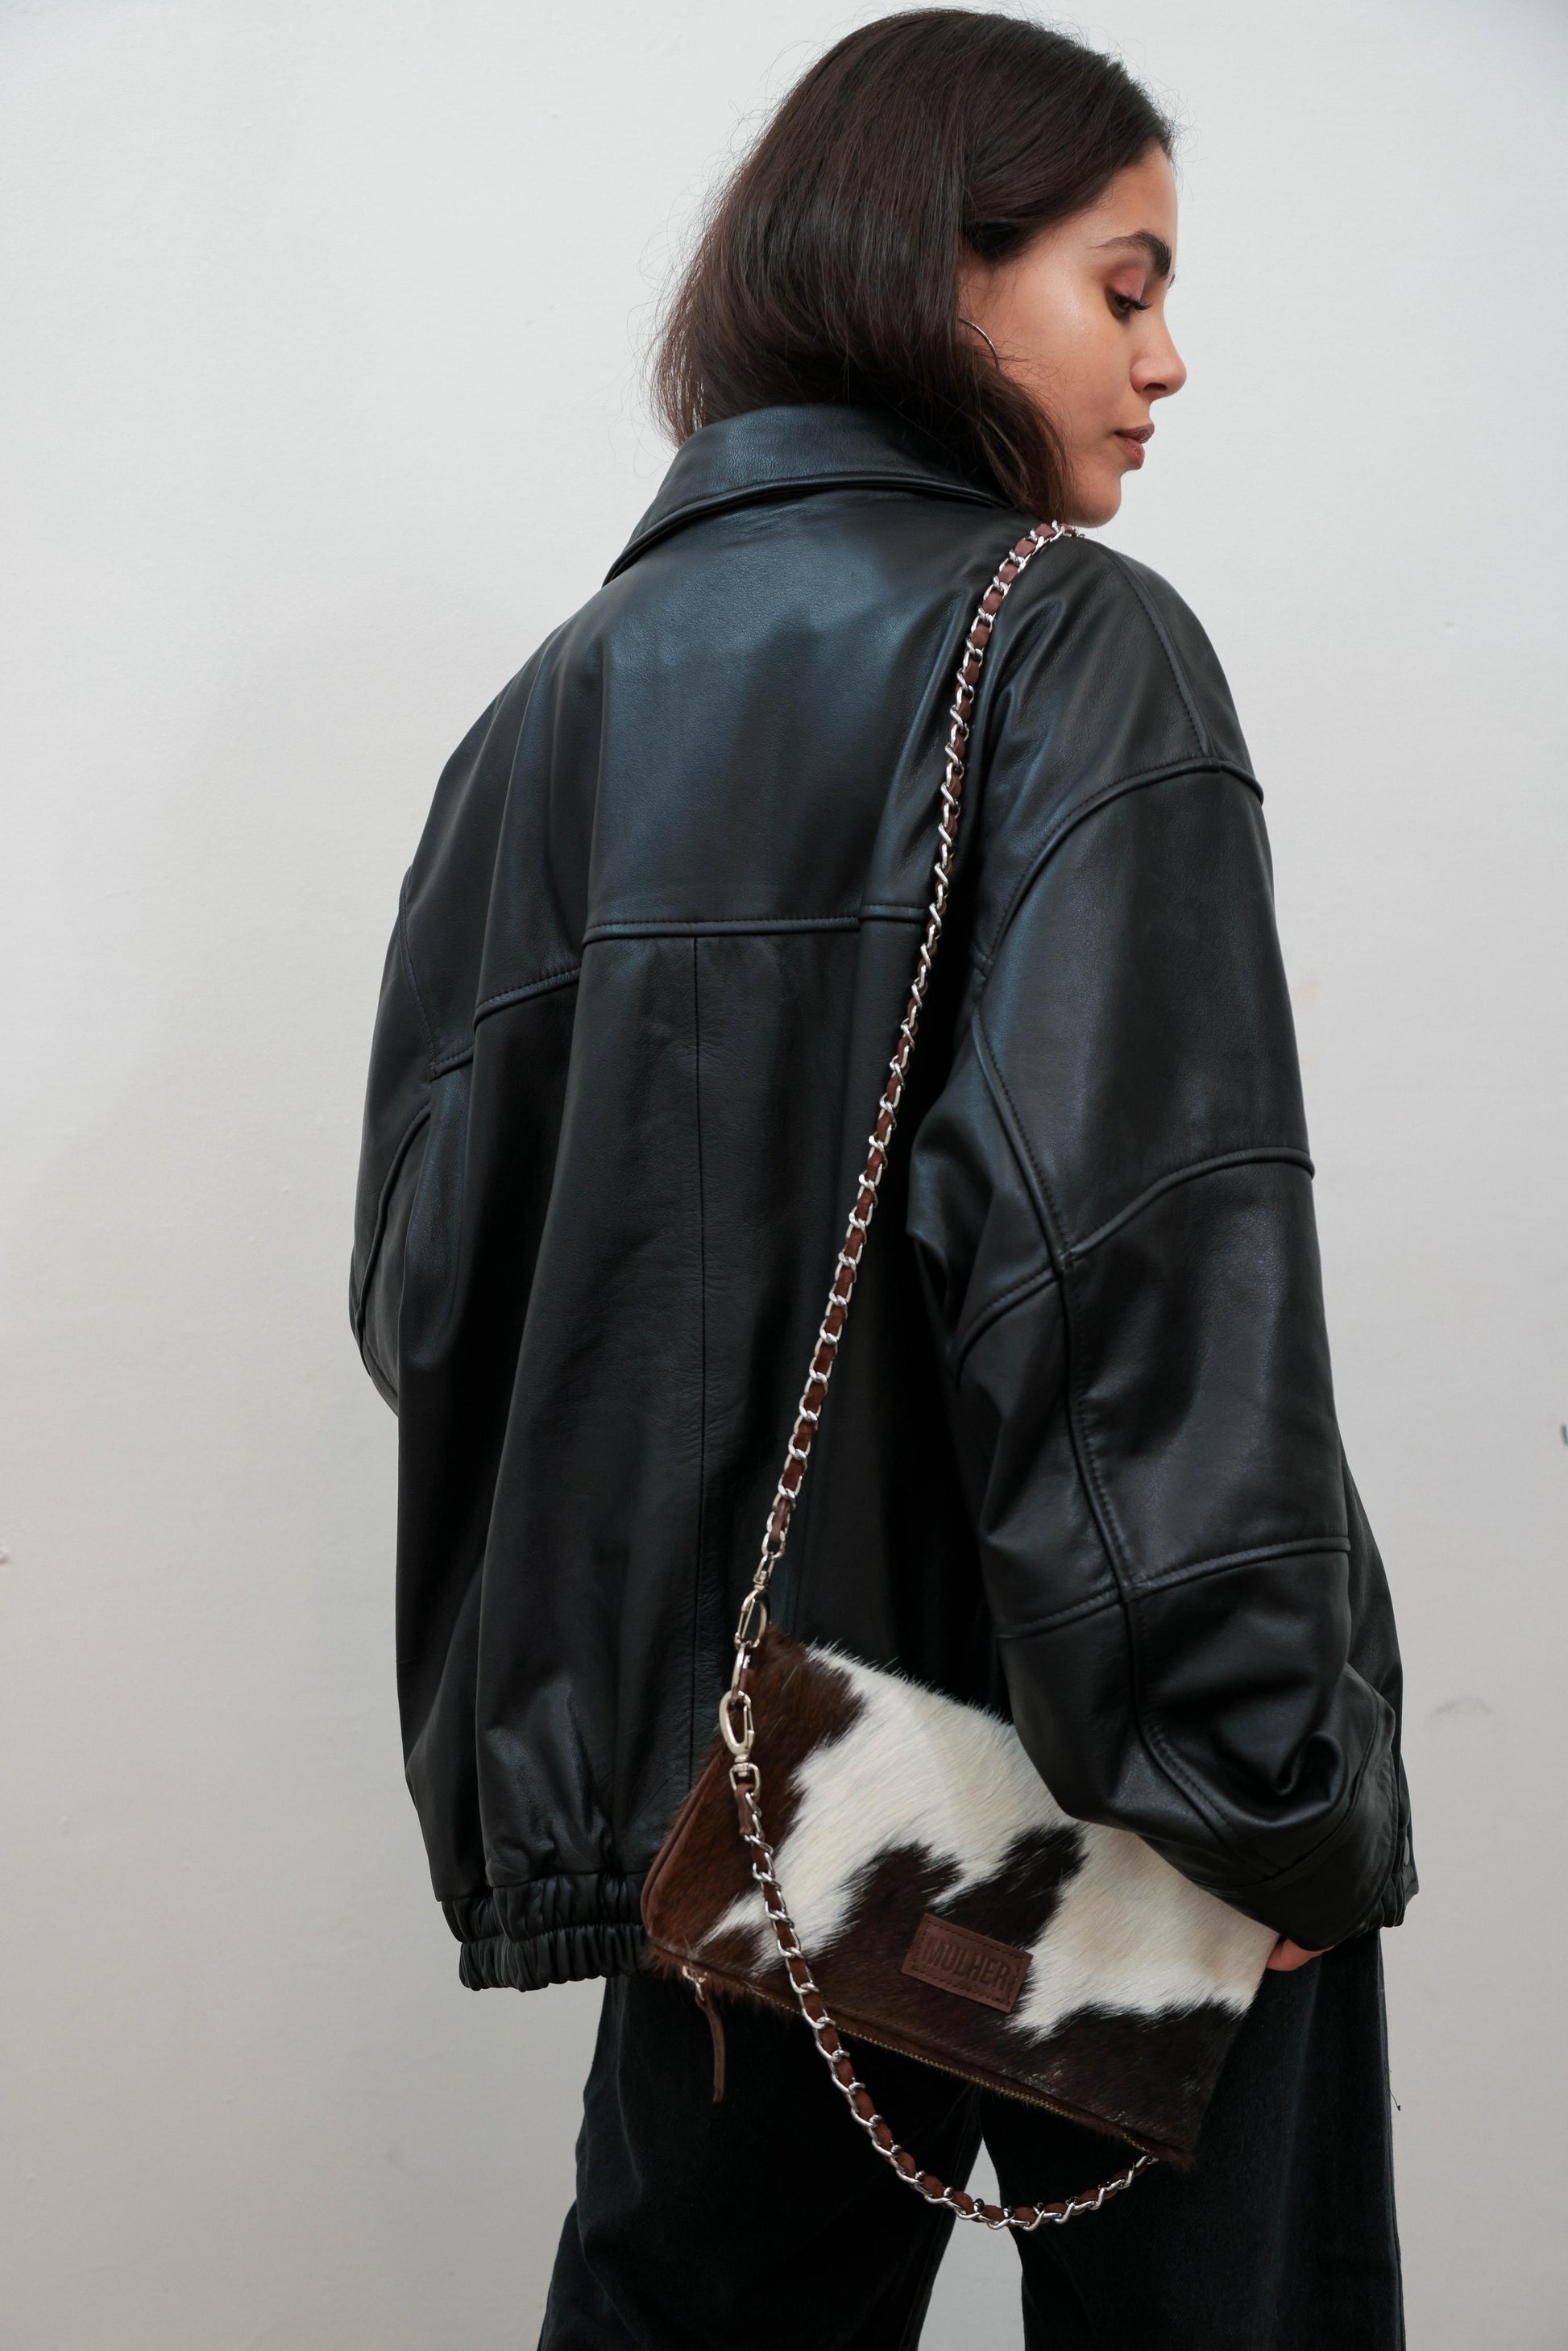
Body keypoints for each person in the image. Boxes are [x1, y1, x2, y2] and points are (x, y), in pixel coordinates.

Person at [350, 12, 1417, 2345]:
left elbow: (434, 1299)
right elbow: (1139, 1274)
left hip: (751, 1814)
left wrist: (645, 1752)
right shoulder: (1070, 646)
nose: (1165, 359)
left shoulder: (541, 719)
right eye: (1122, 285)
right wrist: (1258, 1789)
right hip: (1101, 1804)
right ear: (938, 272)